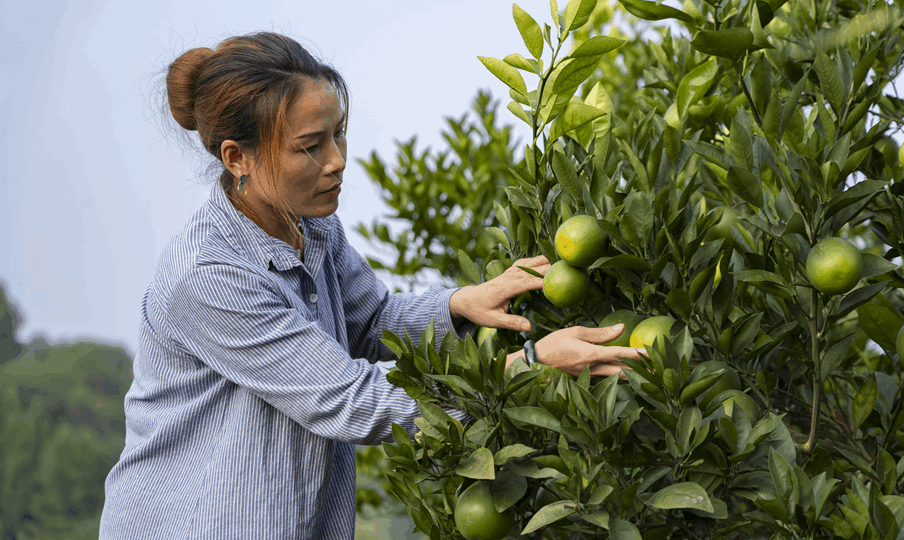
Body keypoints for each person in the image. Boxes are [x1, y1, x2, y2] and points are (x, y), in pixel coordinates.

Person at [99, 31, 642, 540]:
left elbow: (371, 320)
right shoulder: (210, 277)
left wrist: (458, 306)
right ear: (237, 158)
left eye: (338, 134)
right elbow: (354, 402)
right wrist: (530, 368)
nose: (336, 162)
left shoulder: (310, 224)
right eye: (310, 146)